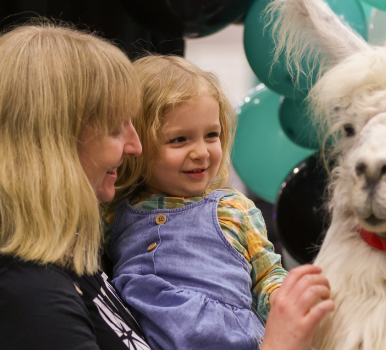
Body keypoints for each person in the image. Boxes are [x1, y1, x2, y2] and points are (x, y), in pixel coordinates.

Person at [0, 23, 333, 350]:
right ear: (54, 144)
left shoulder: (77, 260)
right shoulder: (21, 298)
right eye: (118, 128)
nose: (135, 146)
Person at [106, 55, 326, 350]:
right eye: (179, 140)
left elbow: (267, 274)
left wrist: (281, 298)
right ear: (137, 143)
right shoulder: (113, 211)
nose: (202, 152)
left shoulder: (233, 209)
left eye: (211, 135)